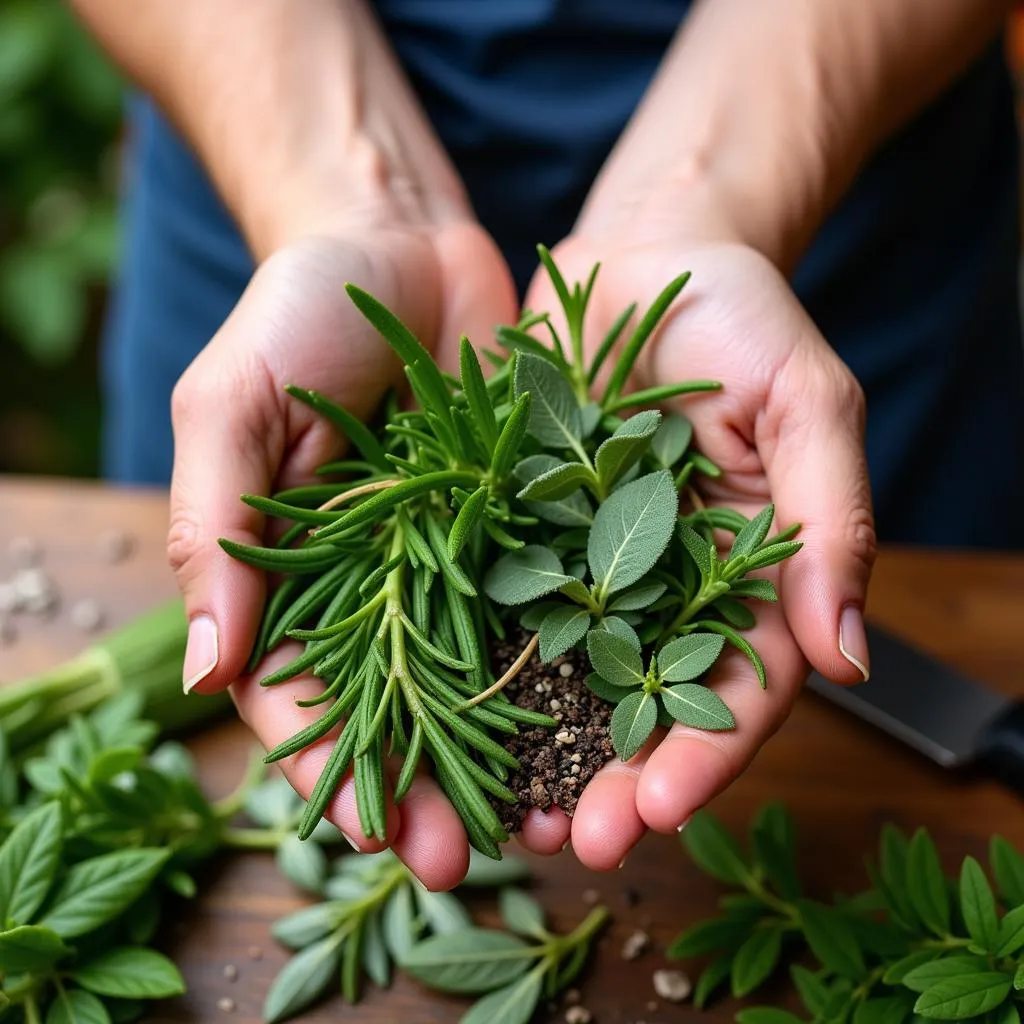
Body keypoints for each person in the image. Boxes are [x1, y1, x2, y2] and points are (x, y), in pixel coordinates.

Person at [69, 0, 1024, 891]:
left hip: (839, 184)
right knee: (255, 635)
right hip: (270, 150)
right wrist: (350, 195)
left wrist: (699, 202)